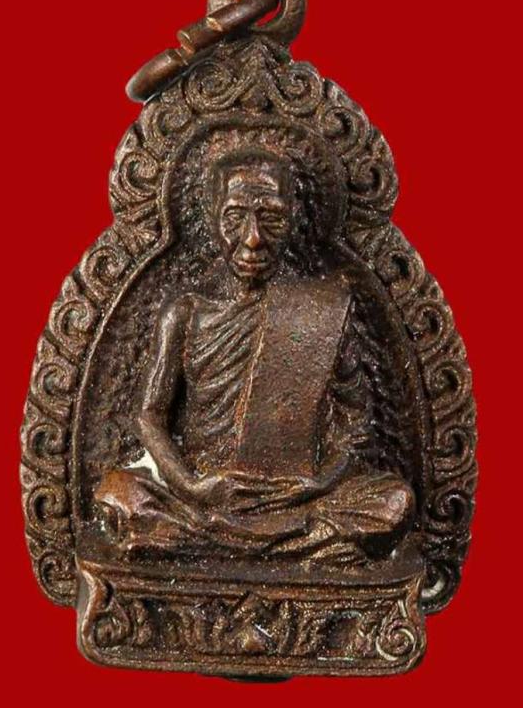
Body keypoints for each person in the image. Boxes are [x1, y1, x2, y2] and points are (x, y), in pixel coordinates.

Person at [95, 149, 415, 562]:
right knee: (117, 492)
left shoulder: (320, 309)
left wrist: (320, 482)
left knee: (394, 501)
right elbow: (148, 415)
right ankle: (289, 548)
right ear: (211, 219)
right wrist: (192, 485)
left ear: (293, 220)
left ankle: (208, 545)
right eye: (235, 218)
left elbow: (353, 425)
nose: (253, 238)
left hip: (296, 496)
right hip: (207, 493)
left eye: (271, 218)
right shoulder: (186, 312)